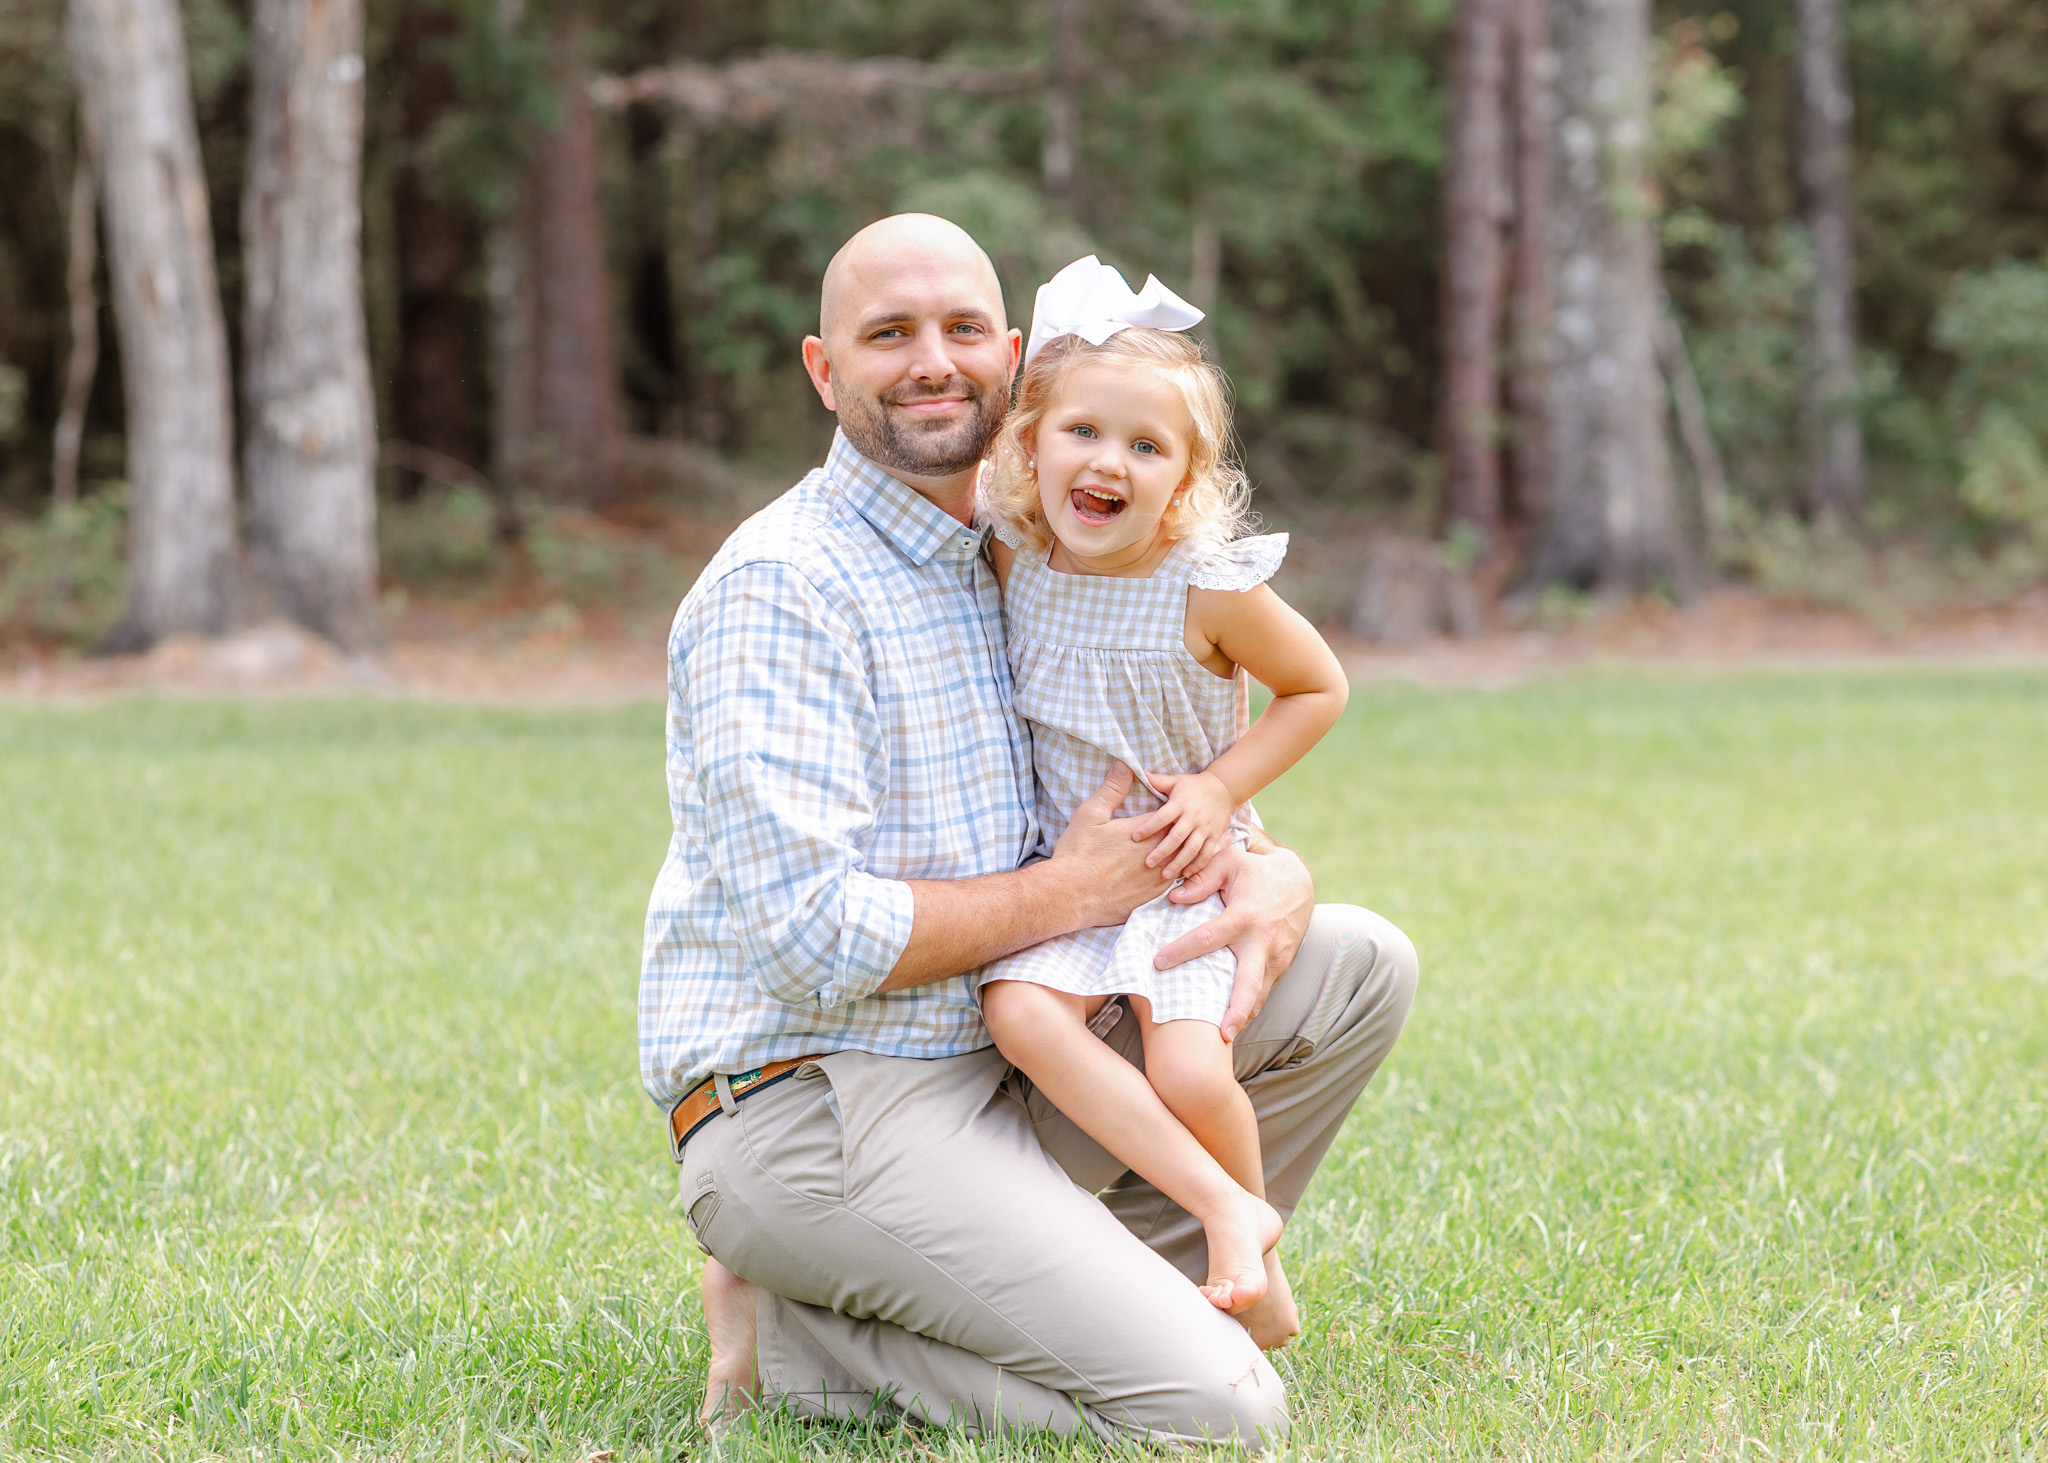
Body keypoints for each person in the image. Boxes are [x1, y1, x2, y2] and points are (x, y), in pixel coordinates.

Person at [640, 212, 1417, 1450]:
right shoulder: (781, 589)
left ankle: (1106, 1300)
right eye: (886, 335)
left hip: (1001, 1052)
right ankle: (816, 1346)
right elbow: (807, 941)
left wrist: (1269, 868)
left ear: (1012, 357)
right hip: (821, 1099)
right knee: (1217, 1409)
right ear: (823, 368)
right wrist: (1072, 894)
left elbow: (1137, 762)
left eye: (959, 329)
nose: (930, 360)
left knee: (1353, 960)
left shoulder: (1022, 549)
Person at [975, 256, 1350, 1348]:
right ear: (1030, 441)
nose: (1109, 463)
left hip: (1186, 865)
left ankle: (1246, 1249)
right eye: (1082, 432)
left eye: (1147, 447)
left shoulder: (1206, 585)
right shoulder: (1015, 558)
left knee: (1189, 1061)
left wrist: (1220, 785)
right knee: (1018, 1012)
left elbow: (1317, 686)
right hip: (1071, 877)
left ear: (1184, 479)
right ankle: (1230, 1207)